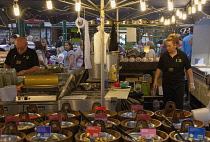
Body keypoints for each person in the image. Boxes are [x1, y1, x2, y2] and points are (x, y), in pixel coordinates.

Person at [153, 34, 195, 109]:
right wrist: (155, 80)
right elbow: (159, 68)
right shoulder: (164, 56)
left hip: (179, 84)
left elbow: (188, 69)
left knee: (178, 104)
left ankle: (177, 119)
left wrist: (191, 83)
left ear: (175, 45)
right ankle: (168, 119)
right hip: (167, 84)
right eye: (167, 46)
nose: (167, 48)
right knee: (167, 104)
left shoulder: (182, 55)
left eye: (169, 46)